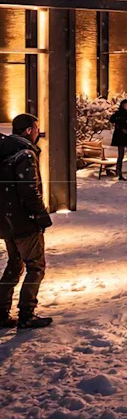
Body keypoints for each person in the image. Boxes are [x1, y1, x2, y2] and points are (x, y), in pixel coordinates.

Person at [0, 113, 53, 331]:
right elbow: (30, 190)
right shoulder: (24, 155)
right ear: (29, 131)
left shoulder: (5, 151)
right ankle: (26, 313)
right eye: (36, 129)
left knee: (14, 264)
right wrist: (41, 215)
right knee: (35, 266)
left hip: (6, 220)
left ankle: (1, 312)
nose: (38, 133)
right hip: (24, 221)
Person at [109, 99, 127, 181]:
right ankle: (120, 173)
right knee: (121, 155)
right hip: (121, 136)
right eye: (126, 105)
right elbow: (112, 120)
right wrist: (121, 123)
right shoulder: (118, 113)